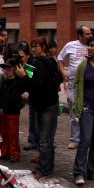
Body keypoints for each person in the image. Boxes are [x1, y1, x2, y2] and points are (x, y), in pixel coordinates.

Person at [15, 39, 59, 179]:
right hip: (39, 105)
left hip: (48, 104)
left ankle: (43, 170)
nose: (19, 59)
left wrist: (23, 76)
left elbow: (36, 86)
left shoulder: (37, 65)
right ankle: (48, 165)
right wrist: (17, 76)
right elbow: (25, 87)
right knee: (43, 138)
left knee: (45, 140)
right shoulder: (27, 65)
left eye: (21, 57)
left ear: (27, 55)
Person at [72, 36, 94, 185]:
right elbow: (77, 85)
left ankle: (93, 171)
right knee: (85, 140)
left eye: (92, 45)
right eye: (89, 45)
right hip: (87, 107)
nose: (89, 48)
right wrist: (77, 105)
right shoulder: (84, 65)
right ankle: (79, 173)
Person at [58, 25, 93, 150]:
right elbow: (60, 59)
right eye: (88, 34)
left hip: (88, 85)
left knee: (87, 113)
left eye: (91, 33)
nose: (90, 36)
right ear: (80, 35)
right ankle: (74, 139)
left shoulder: (92, 46)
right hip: (73, 85)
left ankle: (86, 138)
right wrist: (63, 72)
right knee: (74, 112)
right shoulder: (70, 45)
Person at [0, 58, 25, 162]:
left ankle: (14, 154)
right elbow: (1, 95)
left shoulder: (17, 83)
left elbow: (14, 98)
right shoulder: (5, 82)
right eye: (6, 70)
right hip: (4, 112)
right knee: (4, 133)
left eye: (8, 70)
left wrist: (3, 107)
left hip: (12, 111)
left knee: (13, 134)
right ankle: (4, 152)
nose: (6, 72)